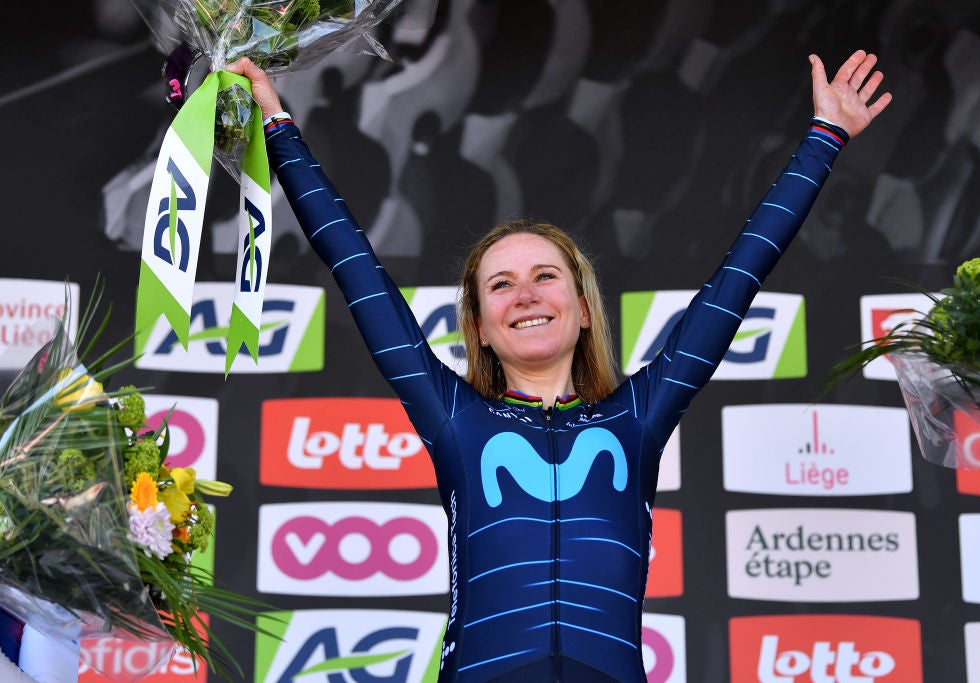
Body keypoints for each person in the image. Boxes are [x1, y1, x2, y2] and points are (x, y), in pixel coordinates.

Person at [228, 49, 891, 682]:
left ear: (583, 309)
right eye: (500, 285)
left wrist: (826, 134)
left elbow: (740, 275)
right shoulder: (454, 416)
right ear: (481, 329)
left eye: (546, 276)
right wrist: (278, 125)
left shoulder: (638, 414)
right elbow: (354, 267)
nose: (525, 295)